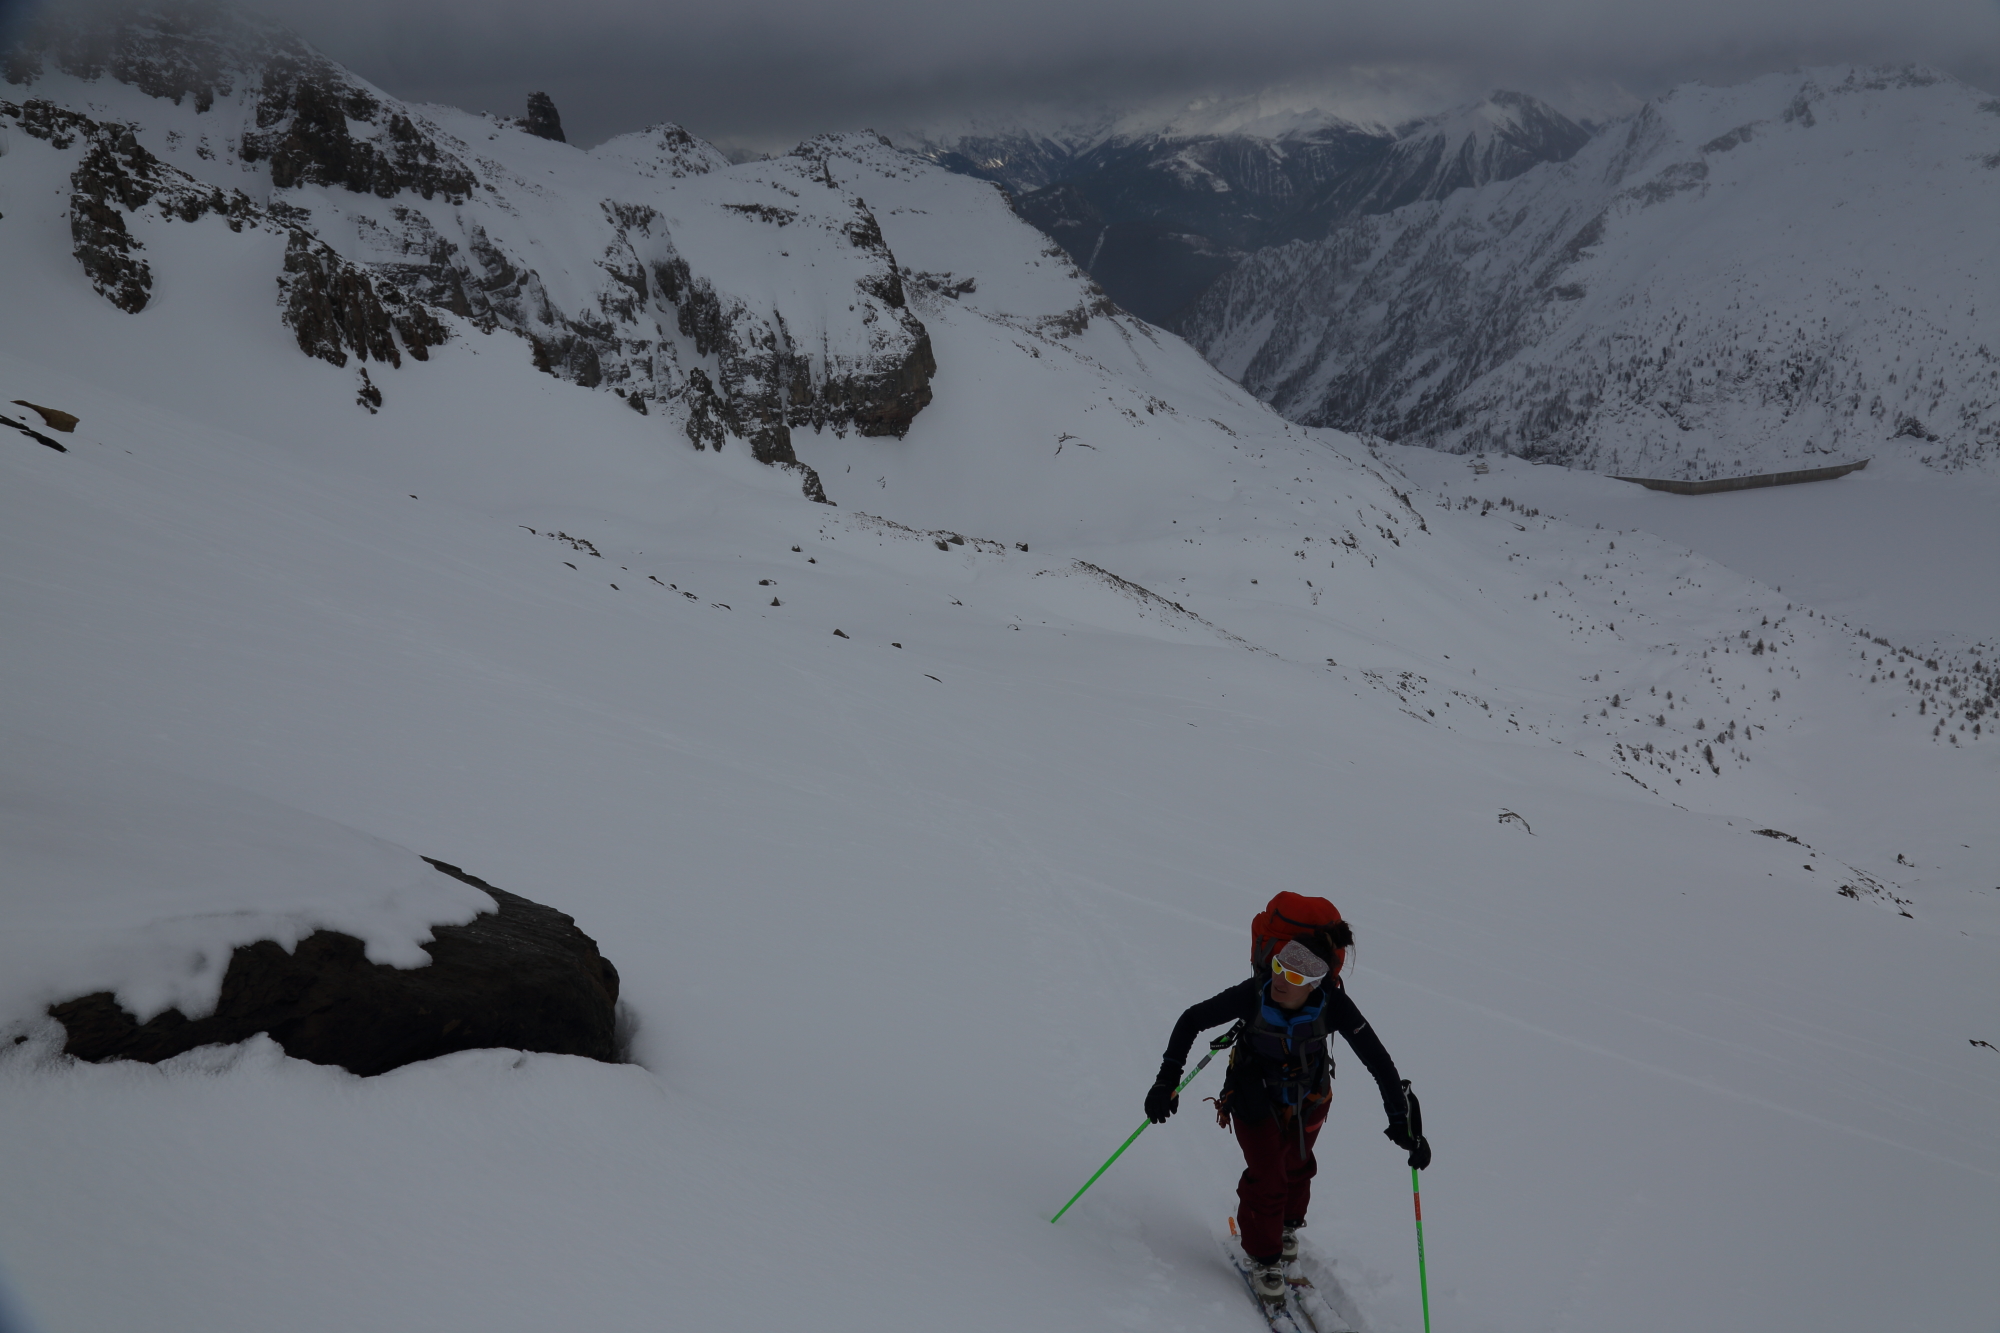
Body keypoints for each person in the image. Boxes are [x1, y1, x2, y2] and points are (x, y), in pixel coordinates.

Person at [1145, 933, 1430, 1305]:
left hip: (1310, 1094)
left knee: (1297, 1164)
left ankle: (1287, 1226)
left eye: (1294, 978)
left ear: (1315, 984)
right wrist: (1166, 1080)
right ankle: (1264, 1257)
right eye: (1279, 967)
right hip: (1250, 1091)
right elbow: (1192, 1020)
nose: (1280, 980)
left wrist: (1401, 1123)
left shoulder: (1335, 1005)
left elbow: (1379, 1061)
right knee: (1268, 1175)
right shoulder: (1255, 992)